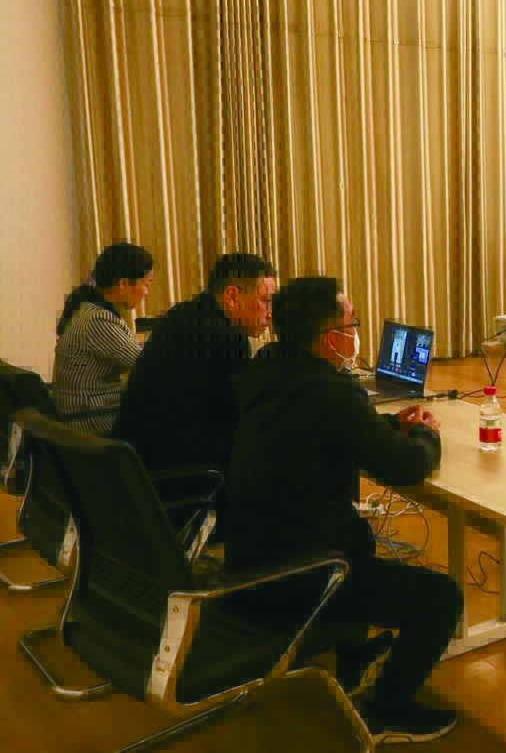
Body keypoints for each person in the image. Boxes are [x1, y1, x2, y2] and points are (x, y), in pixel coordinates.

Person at [224, 277, 461, 743]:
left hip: (249, 562)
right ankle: (387, 710)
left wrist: (384, 423)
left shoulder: (264, 371)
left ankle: (353, 657)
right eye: (351, 324)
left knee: (362, 543)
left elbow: (320, 429)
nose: (355, 333)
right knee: (441, 597)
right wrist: (426, 434)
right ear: (329, 337)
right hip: (303, 575)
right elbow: (407, 467)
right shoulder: (330, 392)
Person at [113, 253, 276, 476]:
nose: (270, 313)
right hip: (174, 468)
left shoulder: (182, 315)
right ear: (231, 296)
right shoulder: (227, 338)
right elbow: (244, 415)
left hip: (133, 460)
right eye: (265, 301)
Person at [51, 242, 153, 435]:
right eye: (146, 284)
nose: (146, 292)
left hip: (87, 412)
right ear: (123, 284)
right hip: (91, 419)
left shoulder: (90, 308)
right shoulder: (98, 320)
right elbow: (147, 365)